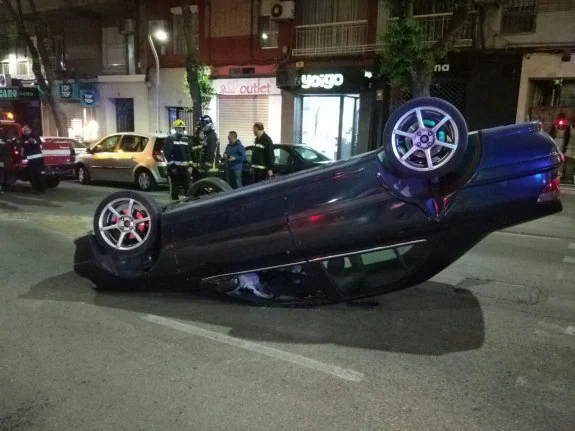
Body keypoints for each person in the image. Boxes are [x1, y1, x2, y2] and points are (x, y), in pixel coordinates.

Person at [163, 119, 191, 201]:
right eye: (178, 128)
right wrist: (172, 166)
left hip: (184, 168)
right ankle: (174, 204)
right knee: (175, 187)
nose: (180, 129)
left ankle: (188, 202)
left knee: (187, 186)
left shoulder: (185, 139)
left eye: (182, 128)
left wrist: (190, 165)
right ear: (175, 128)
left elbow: (188, 153)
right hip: (175, 168)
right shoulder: (170, 138)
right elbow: (167, 153)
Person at [21, 124, 45, 193]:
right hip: (30, 160)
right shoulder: (24, 138)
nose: (24, 132)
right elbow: (23, 148)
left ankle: (40, 189)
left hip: (37, 160)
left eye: (26, 130)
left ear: (29, 130)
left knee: (38, 174)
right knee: (31, 175)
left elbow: (36, 142)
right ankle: (36, 188)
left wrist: (32, 141)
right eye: (23, 131)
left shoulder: (34, 136)